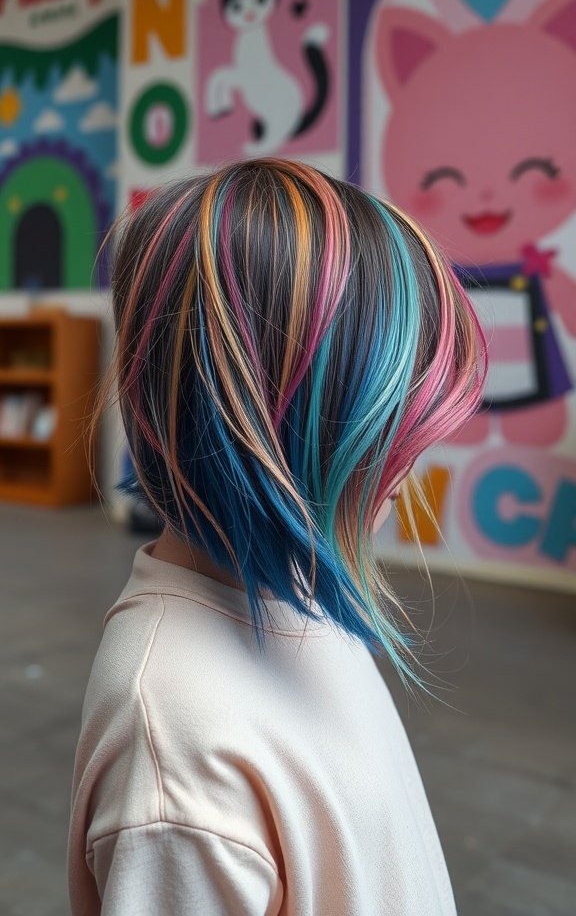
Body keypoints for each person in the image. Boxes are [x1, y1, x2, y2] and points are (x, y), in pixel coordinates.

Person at [67, 158, 486, 915]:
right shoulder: (177, 761)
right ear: (266, 423)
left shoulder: (297, 585)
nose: (412, 455)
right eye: (384, 418)